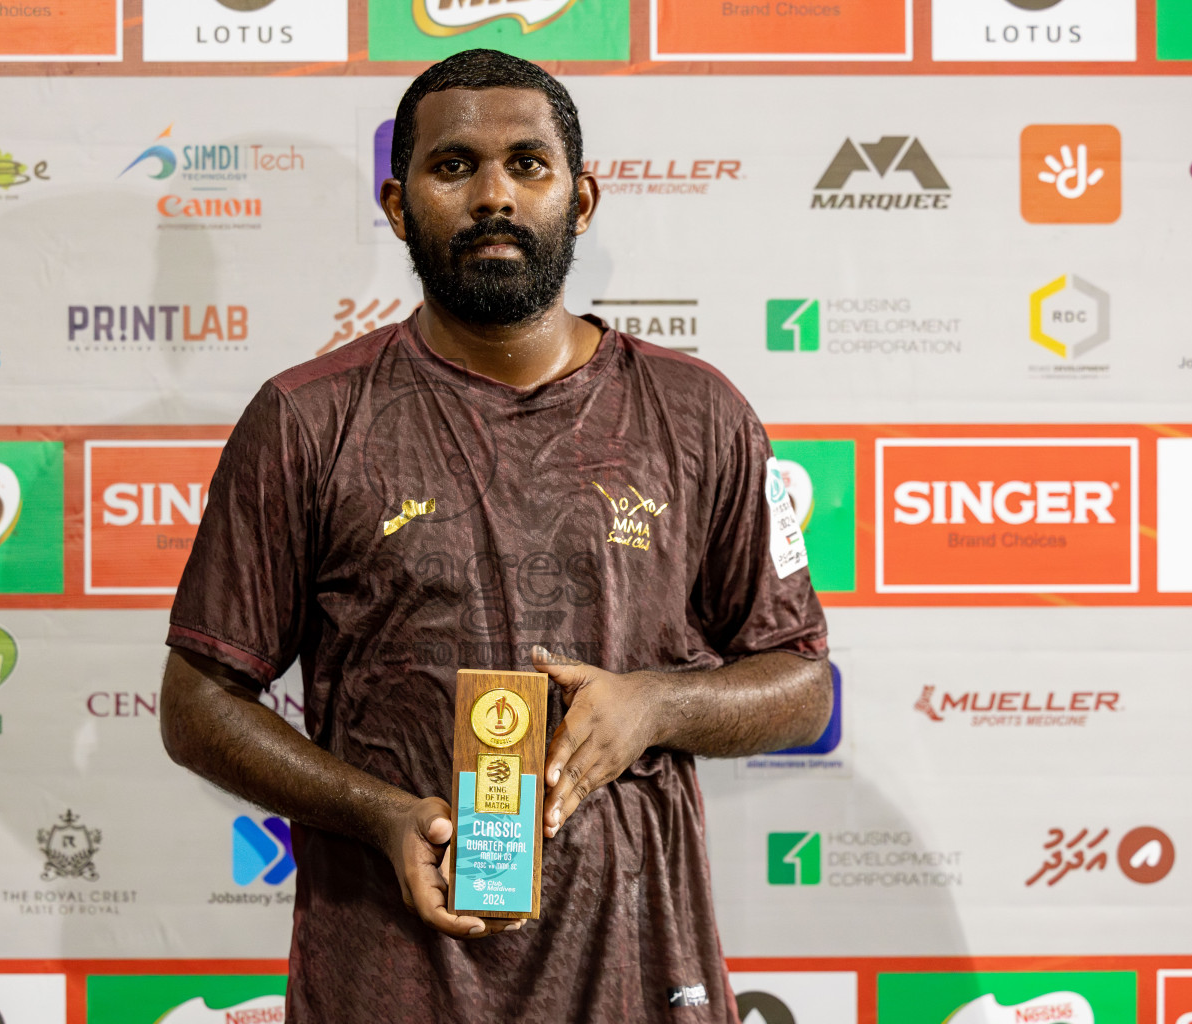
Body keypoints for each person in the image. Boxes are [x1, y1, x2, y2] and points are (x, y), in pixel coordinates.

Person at [159, 48, 832, 1023]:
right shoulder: (307, 419)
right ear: (397, 206)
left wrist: (655, 706)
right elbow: (197, 702)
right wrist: (381, 811)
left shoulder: (701, 415)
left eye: (527, 164)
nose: (492, 196)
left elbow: (802, 685)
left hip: (637, 974)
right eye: (452, 166)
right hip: (387, 978)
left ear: (583, 196)